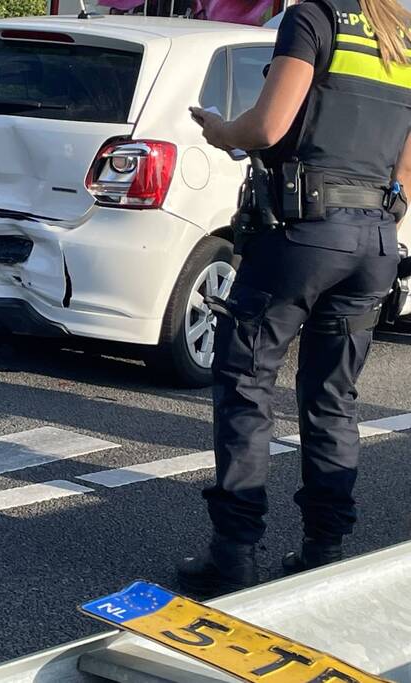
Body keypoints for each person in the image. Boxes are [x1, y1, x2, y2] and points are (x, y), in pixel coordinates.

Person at [178, 0, 411, 596]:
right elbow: (407, 167)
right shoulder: (404, 37)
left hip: (303, 234)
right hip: (375, 241)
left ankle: (234, 554)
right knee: (333, 397)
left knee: (247, 383)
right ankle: (324, 550)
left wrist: (220, 130)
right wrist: (380, 218)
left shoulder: (314, 19)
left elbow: (267, 127)